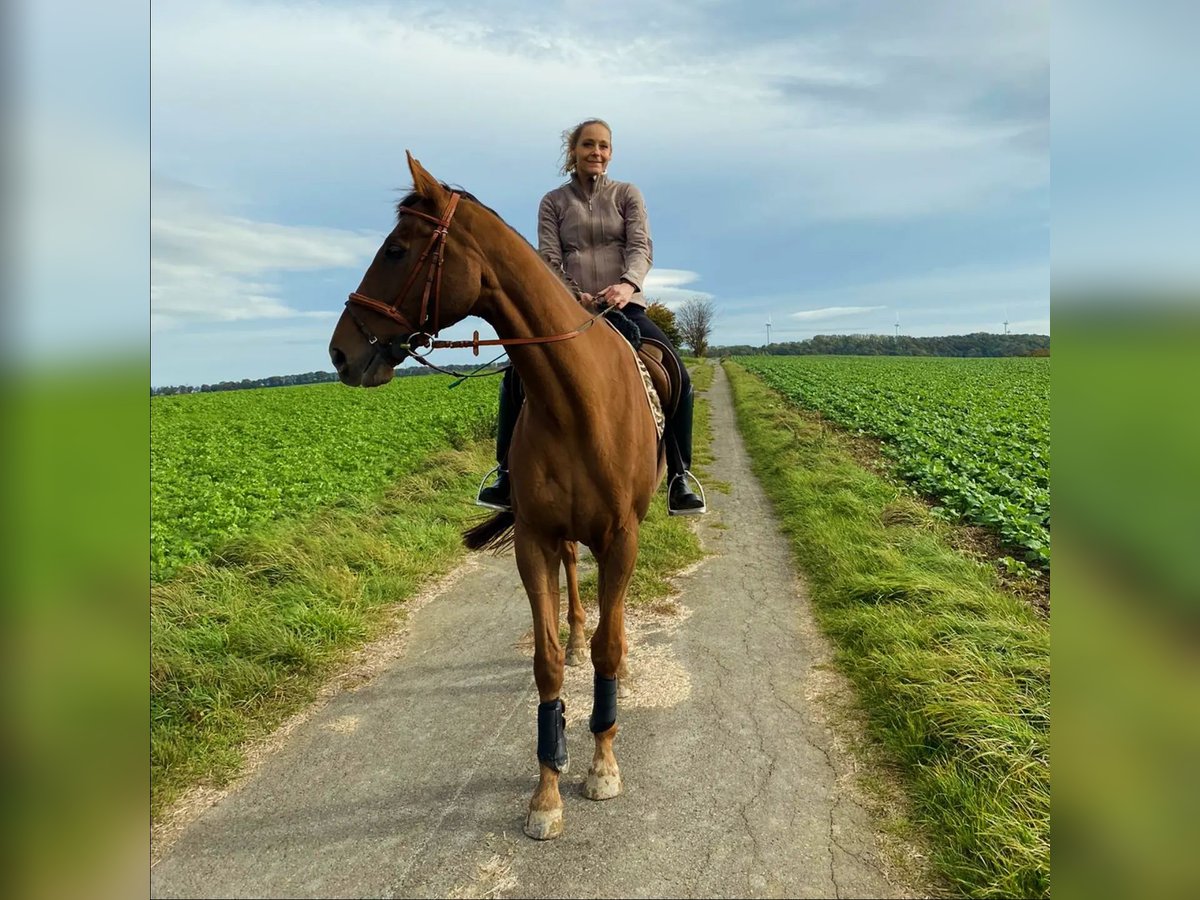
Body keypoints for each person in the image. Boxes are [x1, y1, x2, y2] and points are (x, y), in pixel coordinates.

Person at [477, 118, 706, 516]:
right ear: (574, 152)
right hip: (570, 312)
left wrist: (627, 286)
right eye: (587, 145)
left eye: (602, 146)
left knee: (678, 378)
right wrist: (569, 295)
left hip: (624, 306)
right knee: (515, 377)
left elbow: (641, 247)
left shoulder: (627, 194)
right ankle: (506, 474)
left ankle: (679, 477)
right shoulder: (553, 202)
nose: (595, 152)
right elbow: (548, 257)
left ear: (610, 153)